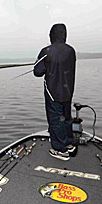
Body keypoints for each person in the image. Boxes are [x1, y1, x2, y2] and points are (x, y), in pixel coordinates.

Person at [33, 23, 76, 161]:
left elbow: (37, 72)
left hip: (53, 93)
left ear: (51, 35)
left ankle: (60, 149)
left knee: (56, 120)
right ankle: (69, 143)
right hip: (68, 92)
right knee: (66, 118)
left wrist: (45, 65)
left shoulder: (46, 51)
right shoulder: (71, 50)